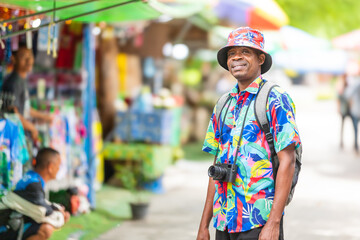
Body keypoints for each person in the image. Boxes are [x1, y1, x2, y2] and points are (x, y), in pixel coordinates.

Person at [197, 27, 301, 240]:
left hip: (258, 220)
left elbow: (287, 162)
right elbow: (216, 168)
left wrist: (273, 223)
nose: (236, 57)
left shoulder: (275, 99)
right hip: (224, 219)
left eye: (245, 51)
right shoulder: (223, 103)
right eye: (231, 53)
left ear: (260, 58)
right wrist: (203, 226)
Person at [0, 147, 70, 240]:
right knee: (46, 229)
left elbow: (41, 204)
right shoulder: (33, 184)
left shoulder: (31, 177)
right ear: (50, 167)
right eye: (58, 165)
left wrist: (57, 209)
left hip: (9, 223)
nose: (59, 169)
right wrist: (61, 216)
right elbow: (43, 213)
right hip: (4, 228)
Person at [1, 44, 53, 141]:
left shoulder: (21, 80)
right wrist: (32, 128)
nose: (29, 60)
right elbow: (13, 113)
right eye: (23, 56)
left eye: (30, 56)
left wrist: (44, 116)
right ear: (14, 59)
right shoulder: (14, 82)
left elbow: (25, 108)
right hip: (13, 136)